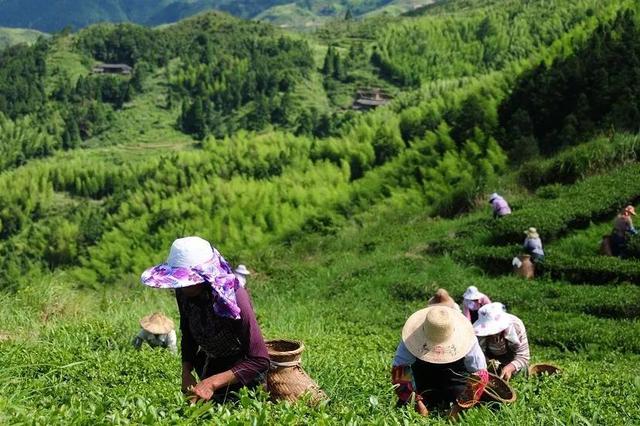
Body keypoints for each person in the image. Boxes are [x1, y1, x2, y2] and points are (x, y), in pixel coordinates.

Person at [140, 236, 269, 403]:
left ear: (205, 275)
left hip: (243, 378)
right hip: (209, 366)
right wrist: (186, 372)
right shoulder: (184, 292)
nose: (182, 286)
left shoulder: (235, 297)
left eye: (186, 281)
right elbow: (188, 333)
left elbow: (259, 360)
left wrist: (211, 384)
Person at [392, 305, 488, 417]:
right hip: (423, 383)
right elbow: (398, 371)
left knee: (470, 403)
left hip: (454, 382)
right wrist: (416, 402)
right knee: (403, 406)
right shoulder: (411, 339)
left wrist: (459, 407)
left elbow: (481, 374)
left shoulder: (467, 340)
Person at [473, 303, 530, 381]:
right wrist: (488, 367)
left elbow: (524, 356)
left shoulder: (516, 327)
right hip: (491, 361)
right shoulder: (479, 336)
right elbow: (478, 357)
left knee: (519, 376)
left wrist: (510, 367)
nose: (493, 334)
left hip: (513, 359)